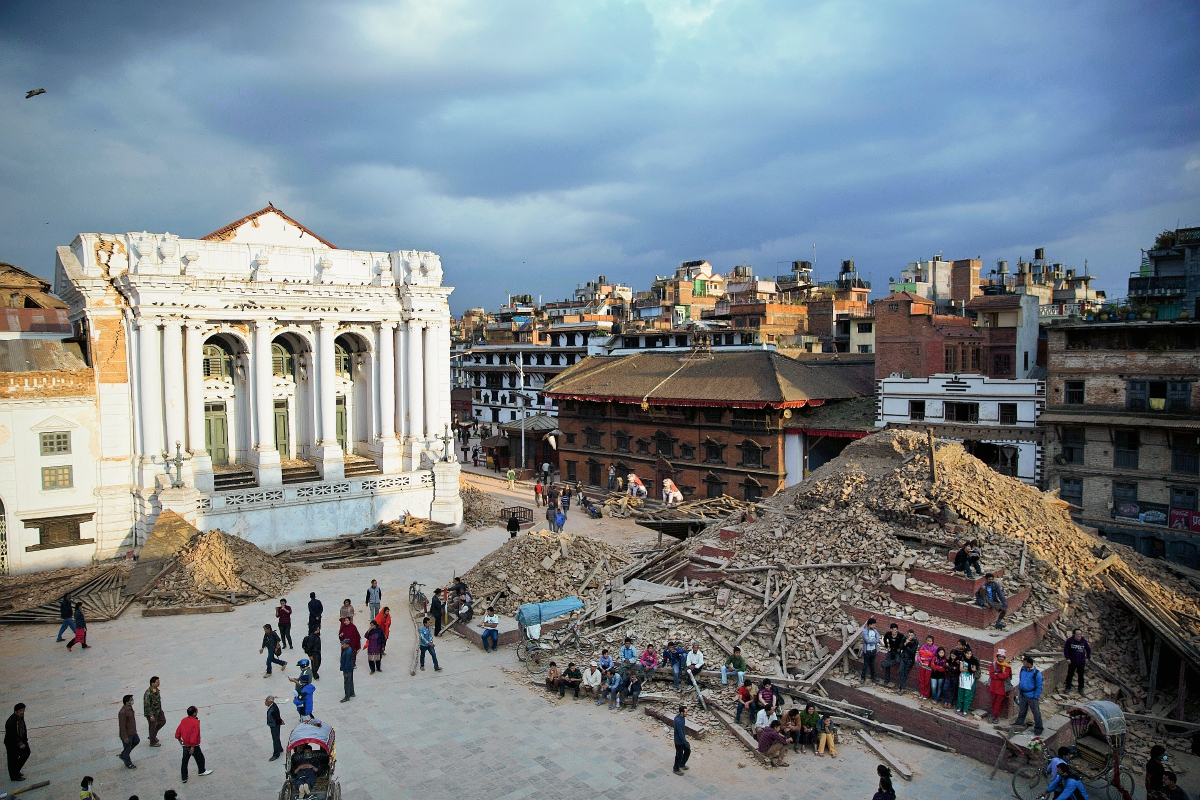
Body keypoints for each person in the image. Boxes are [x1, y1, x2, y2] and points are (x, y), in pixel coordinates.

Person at [174, 705, 212, 783]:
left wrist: (179, 738)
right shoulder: (196, 722)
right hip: (193, 746)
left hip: (185, 745)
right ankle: (201, 771)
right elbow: (194, 735)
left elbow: (178, 730)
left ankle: (184, 777)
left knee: (184, 761)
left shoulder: (184, 720)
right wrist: (192, 746)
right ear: (194, 713)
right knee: (200, 758)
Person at [1014, 654, 1045, 735]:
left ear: (1029, 663)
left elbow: (1039, 686)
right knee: (1022, 710)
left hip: (1031, 696)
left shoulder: (1037, 674)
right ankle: (1019, 722)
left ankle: (1038, 727)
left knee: (1036, 712)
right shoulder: (1023, 669)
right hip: (1022, 694)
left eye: (1024, 662)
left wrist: (1035, 696)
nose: (1023, 663)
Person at [1063, 628, 1092, 695]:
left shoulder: (1083, 641)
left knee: (1081, 676)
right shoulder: (1070, 641)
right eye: (1077, 634)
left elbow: (1088, 649)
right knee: (1070, 675)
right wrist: (1067, 658)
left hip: (1081, 661)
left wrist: (1088, 657)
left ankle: (1081, 689)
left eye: (1080, 634)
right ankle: (1068, 688)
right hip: (1072, 661)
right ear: (1074, 635)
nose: (1079, 636)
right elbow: (1066, 650)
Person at [5, 703, 29, 781]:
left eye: (23, 710)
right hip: (12, 744)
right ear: (16, 711)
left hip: (21, 740)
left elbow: (23, 728)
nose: (22, 712)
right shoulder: (10, 722)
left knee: (26, 753)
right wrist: (19, 743)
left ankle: (16, 770)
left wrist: (24, 740)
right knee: (12, 759)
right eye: (20, 710)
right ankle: (14, 776)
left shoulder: (20, 717)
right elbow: (12, 736)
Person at [988, 649, 1013, 723]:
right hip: (994, 686)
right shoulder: (993, 664)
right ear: (997, 657)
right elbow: (992, 674)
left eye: (1002, 657)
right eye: (1000, 656)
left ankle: (995, 716)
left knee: (998, 702)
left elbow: (1006, 676)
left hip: (1002, 688)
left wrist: (997, 675)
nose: (1001, 658)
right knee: (993, 701)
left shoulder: (1007, 666)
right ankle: (994, 715)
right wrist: (1000, 676)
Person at [117, 694, 139, 769]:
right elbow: (122, 726)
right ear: (127, 702)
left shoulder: (130, 708)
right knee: (127, 748)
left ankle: (123, 754)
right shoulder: (122, 712)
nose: (133, 701)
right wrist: (125, 737)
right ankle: (128, 763)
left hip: (133, 731)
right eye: (131, 700)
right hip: (127, 734)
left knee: (136, 741)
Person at [957, 646, 979, 715]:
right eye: (967, 654)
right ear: (964, 653)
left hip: (970, 680)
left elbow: (974, 669)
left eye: (970, 654)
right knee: (961, 694)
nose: (969, 655)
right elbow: (961, 669)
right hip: (962, 679)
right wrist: (968, 669)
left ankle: (965, 710)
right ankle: (959, 708)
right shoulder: (962, 660)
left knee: (968, 695)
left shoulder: (974, 661)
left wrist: (966, 669)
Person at [144, 676, 165, 747]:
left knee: (162, 721)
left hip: (158, 710)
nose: (158, 683)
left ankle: (152, 734)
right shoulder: (148, 693)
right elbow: (147, 705)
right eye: (157, 682)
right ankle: (152, 741)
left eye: (159, 682)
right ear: (152, 683)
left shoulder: (156, 690)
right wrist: (150, 715)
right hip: (152, 713)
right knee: (152, 726)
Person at [896, 629, 919, 694]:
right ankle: (902, 687)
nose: (910, 637)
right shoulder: (904, 638)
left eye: (911, 635)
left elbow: (913, 651)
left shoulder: (915, 641)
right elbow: (901, 647)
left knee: (905, 673)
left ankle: (902, 688)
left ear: (913, 635)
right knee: (901, 671)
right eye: (909, 635)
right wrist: (905, 643)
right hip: (903, 657)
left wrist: (907, 645)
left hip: (910, 659)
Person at [860, 617, 881, 684]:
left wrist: (873, 640)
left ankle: (873, 677)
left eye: (875, 625)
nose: (874, 626)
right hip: (867, 651)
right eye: (873, 625)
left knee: (872, 664)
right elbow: (867, 641)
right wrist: (874, 641)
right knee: (865, 664)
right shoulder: (865, 632)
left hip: (873, 650)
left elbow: (878, 639)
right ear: (869, 625)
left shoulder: (875, 631)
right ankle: (863, 677)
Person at [916, 635, 936, 699]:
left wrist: (925, 658)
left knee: (927, 681)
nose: (928, 642)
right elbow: (919, 654)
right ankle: (922, 693)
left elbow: (933, 657)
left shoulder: (935, 648)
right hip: (922, 666)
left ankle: (926, 695)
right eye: (927, 640)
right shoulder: (923, 646)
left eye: (930, 641)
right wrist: (920, 660)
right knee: (921, 680)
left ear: (932, 642)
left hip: (928, 668)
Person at [265, 696, 284, 761]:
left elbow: (277, 717)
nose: (265, 702)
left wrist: (280, 721)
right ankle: (280, 748)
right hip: (273, 724)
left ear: (270, 701)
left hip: (275, 725)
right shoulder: (272, 706)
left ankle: (276, 754)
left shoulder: (273, 709)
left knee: (275, 739)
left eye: (266, 701)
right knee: (276, 737)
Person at [672, 706, 690, 775]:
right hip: (679, 741)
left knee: (687, 751)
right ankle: (676, 769)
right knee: (679, 754)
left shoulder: (681, 717)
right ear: (682, 712)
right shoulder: (678, 721)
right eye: (685, 712)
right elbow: (680, 733)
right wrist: (685, 742)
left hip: (682, 740)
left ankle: (682, 764)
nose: (686, 713)